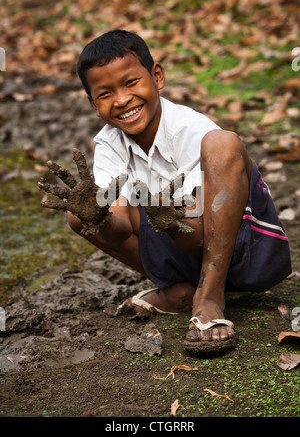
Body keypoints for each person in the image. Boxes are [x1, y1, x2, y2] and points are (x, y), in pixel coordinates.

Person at [38, 30, 292, 355]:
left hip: (245, 252)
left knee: (224, 143)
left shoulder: (189, 130)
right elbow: (118, 228)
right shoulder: (109, 145)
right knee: (80, 215)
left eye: (131, 83)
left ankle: (209, 296)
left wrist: (170, 221)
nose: (121, 99)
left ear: (157, 76)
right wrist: (99, 217)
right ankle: (178, 292)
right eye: (105, 93)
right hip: (182, 252)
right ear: (93, 104)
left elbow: (201, 239)